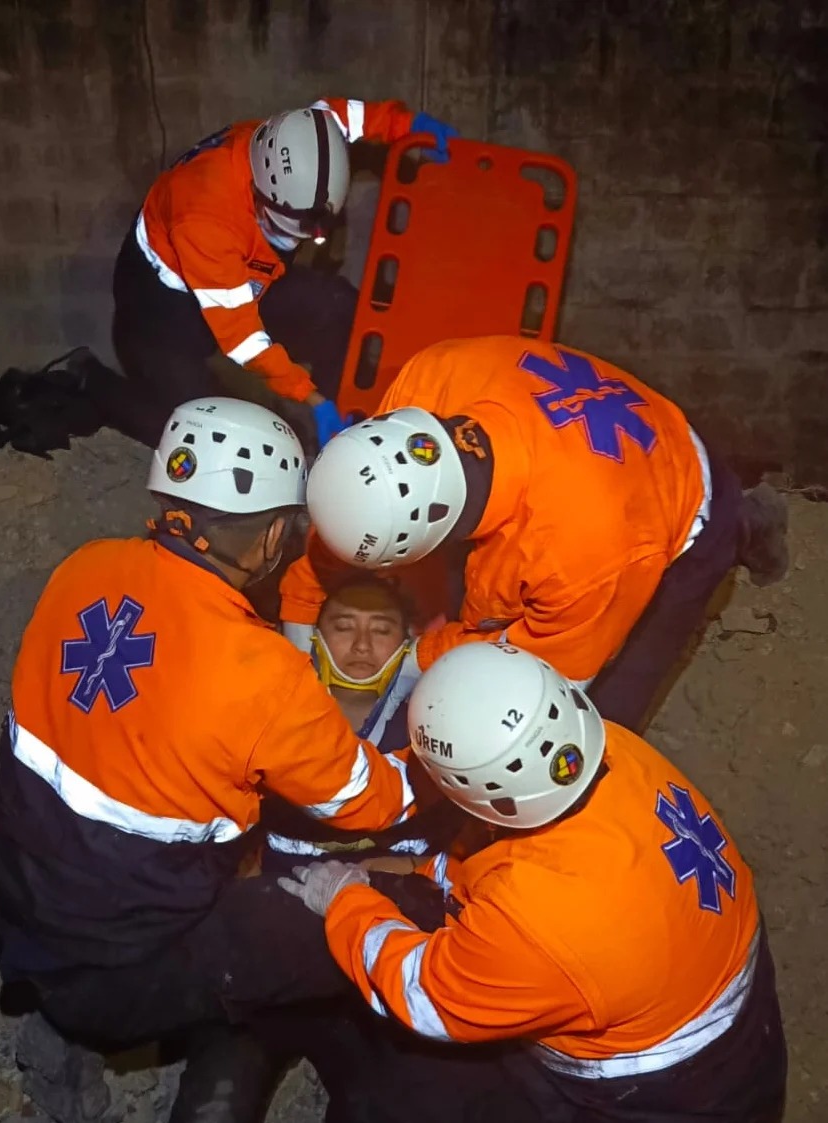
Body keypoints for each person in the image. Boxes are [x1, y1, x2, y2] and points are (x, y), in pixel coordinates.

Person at [0, 397, 417, 1122]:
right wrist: (442, 761)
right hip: (118, 969)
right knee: (348, 925)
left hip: (18, 904)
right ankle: (142, 1050)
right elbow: (370, 801)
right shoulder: (260, 672)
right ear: (273, 533)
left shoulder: (85, 567)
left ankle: (55, 1020)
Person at [280, 642, 787, 1123]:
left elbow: (422, 995)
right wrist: (424, 873)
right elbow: (500, 851)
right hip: (723, 991)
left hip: (664, 1090)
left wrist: (345, 901)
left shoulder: (541, 918)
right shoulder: (615, 748)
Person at [281, 334, 789, 731]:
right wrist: (301, 608)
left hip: (675, 493)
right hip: (590, 434)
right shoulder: (429, 379)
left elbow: (543, 680)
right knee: (474, 608)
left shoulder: (586, 550)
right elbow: (364, 501)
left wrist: (422, 659)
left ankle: (742, 523)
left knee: (595, 720)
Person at [88, 97, 458, 452]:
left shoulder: (300, 138)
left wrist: (406, 124)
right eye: (293, 228)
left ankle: (337, 439)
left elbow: (345, 116)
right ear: (259, 195)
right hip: (161, 307)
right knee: (201, 432)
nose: (307, 241)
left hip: (243, 271)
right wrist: (310, 397)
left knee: (337, 308)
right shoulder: (205, 223)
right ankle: (91, 386)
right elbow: (243, 340)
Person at [260, 577, 440, 874]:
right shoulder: (269, 717)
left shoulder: (434, 727)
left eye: (381, 630)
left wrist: (411, 866)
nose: (362, 646)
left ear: (407, 643)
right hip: (281, 882)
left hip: (404, 885)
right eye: (344, 627)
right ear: (314, 637)